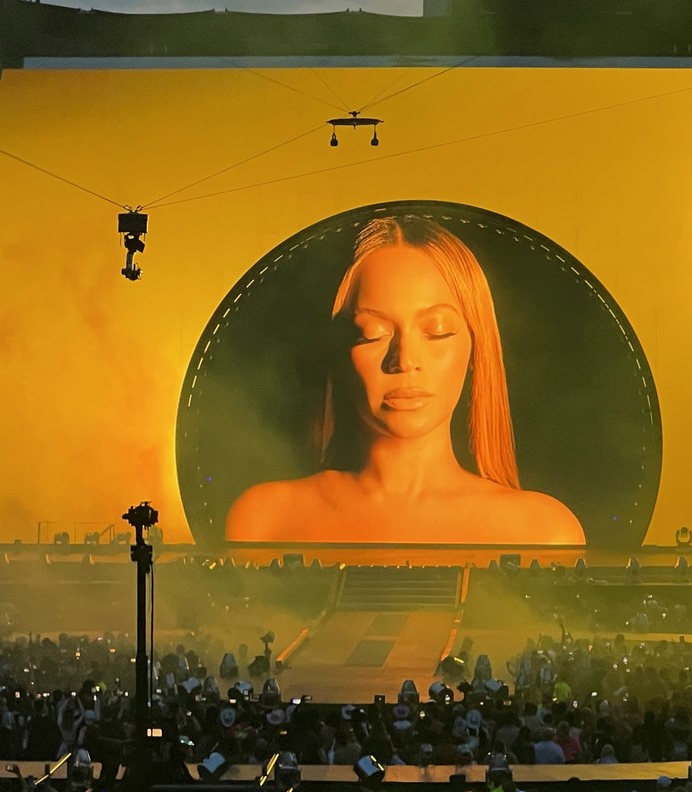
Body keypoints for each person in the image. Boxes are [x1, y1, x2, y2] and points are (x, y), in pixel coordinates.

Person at [225, 214, 584, 545]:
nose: (405, 360)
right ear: (341, 350)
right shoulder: (264, 520)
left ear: (476, 349)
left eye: (437, 331)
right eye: (372, 333)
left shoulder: (544, 532)